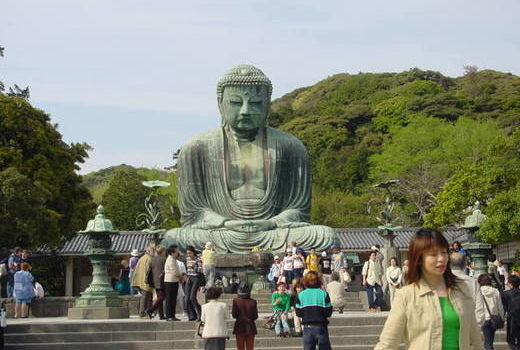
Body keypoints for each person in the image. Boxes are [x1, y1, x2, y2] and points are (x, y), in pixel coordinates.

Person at [161, 65, 336, 254]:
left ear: (268, 104)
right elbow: (194, 212)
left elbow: (299, 210)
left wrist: (270, 223)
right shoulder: (196, 147)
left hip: (273, 231)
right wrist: (226, 223)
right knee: (175, 238)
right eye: (236, 103)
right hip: (222, 231)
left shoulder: (291, 146)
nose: (245, 110)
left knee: (324, 235)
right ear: (220, 103)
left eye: (255, 103)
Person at [374, 228, 483, 350]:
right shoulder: (406, 295)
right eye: (433, 254)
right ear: (419, 259)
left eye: (444, 252)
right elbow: (387, 344)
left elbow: (475, 336)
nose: (441, 258)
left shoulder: (461, 288)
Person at [295, 271, 333, 350]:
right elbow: (328, 312)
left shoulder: (301, 295)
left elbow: (298, 313)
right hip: (321, 328)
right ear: (318, 281)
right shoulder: (324, 294)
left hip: (307, 328)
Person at [450, 252, 486, 326]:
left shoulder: (442, 281)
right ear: (464, 265)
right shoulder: (473, 282)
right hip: (469, 325)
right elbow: (479, 308)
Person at [478, 274, 505, 350]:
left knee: (487, 342)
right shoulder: (495, 291)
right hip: (494, 318)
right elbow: (500, 306)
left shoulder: (479, 291)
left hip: (483, 319)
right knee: (489, 341)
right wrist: (502, 317)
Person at [232, 282, 258, 350]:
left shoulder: (236, 301)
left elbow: (234, 315)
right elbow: (255, 316)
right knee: (250, 348)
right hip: (250, 327)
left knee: (240, 348)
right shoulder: (253, 301)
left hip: (239, 326)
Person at [131, 246, 154, 318]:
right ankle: (143, 313)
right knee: (146, 297)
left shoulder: (142, 258)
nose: (154, 252)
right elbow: (148, 271)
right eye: (153, 251)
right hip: (146, 281)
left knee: (147, 297)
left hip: (141, 280)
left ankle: (146, 313)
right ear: (149, 251)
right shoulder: (149, 258)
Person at [146, 245, 167, 319]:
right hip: (162, 280)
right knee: (162, 297)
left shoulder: (153, 259)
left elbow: (150, 270)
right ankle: (151, 310)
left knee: (159, 297)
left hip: (155, 281)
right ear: (163, 251)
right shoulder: (164, 259)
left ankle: (161, 315)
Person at [501, 275, 520, 350]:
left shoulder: (505, 294)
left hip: (511, 318)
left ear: (510, 284)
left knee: (511, 339)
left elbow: (503, 308)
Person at [164, 245, 182, 321]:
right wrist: (181, 276)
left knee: (173, 299)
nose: (178, 252)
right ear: (172, 252)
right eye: (176, 251)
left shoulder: (173, 259)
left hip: (174, 280)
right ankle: (169, 315)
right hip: (170, 281)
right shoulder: (170, 259)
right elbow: (174, 271)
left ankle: (172, 315)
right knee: (170, 299)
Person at [185, 245, 202, 321]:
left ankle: (200, 312)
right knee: (187, 298)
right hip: (189, 278)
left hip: (195, 278)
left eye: (190, 253)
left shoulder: (198, 259)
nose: (189, 255)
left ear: (193, 252)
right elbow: (186, 269)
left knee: (192, 297)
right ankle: (192, 315)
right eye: (187, 253)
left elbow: (200, 270)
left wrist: (193, 267)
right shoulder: (187, 259)